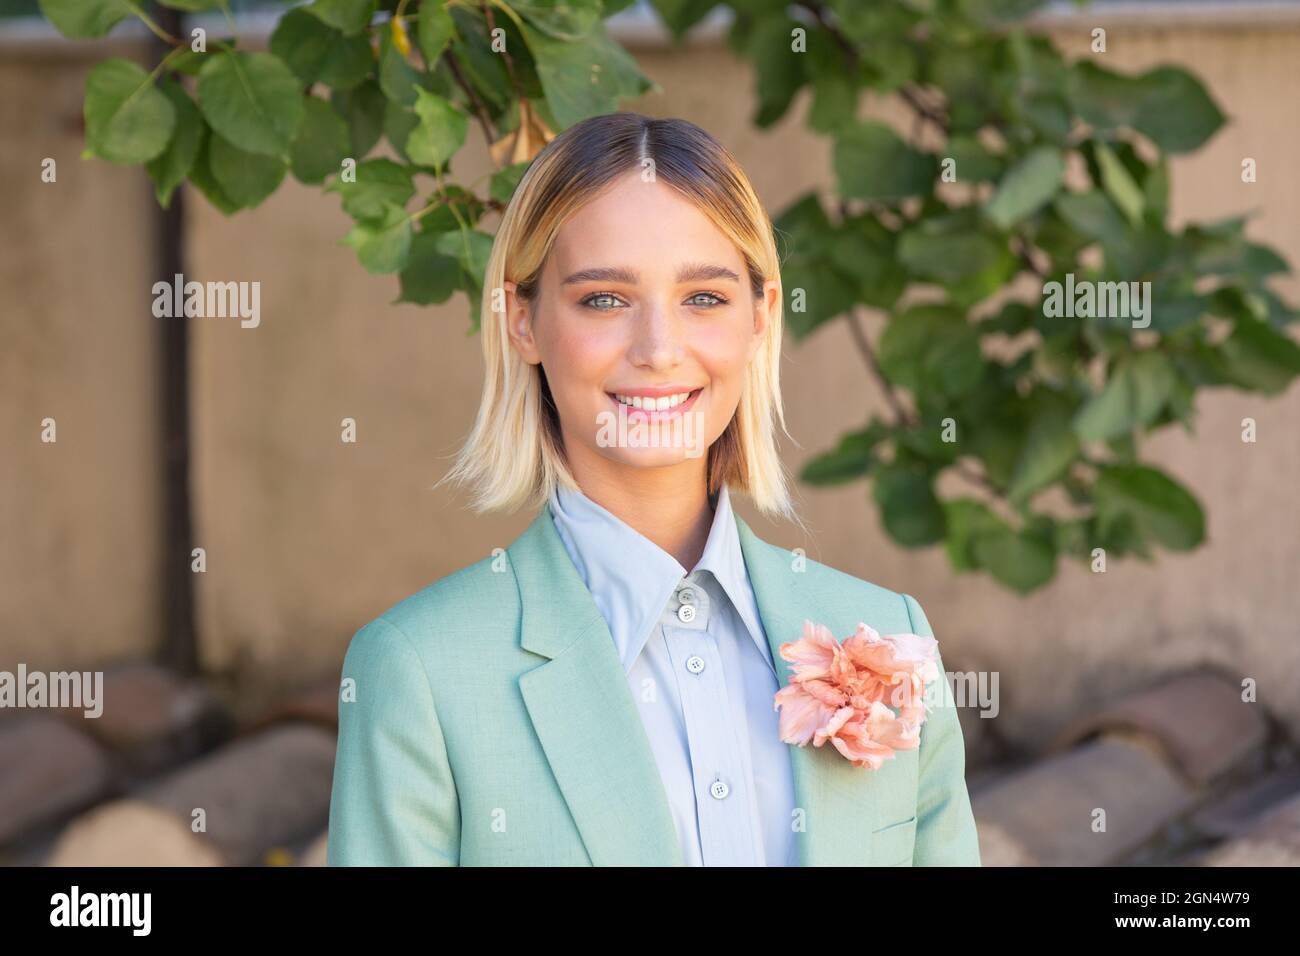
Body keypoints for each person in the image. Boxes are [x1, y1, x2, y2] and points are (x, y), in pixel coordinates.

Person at [326, 112, 981, 867]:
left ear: (761, 318)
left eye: (704, 297)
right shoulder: (420, 670)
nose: (659, 350)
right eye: (604, 299)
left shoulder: (885, 633)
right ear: (522, 322)